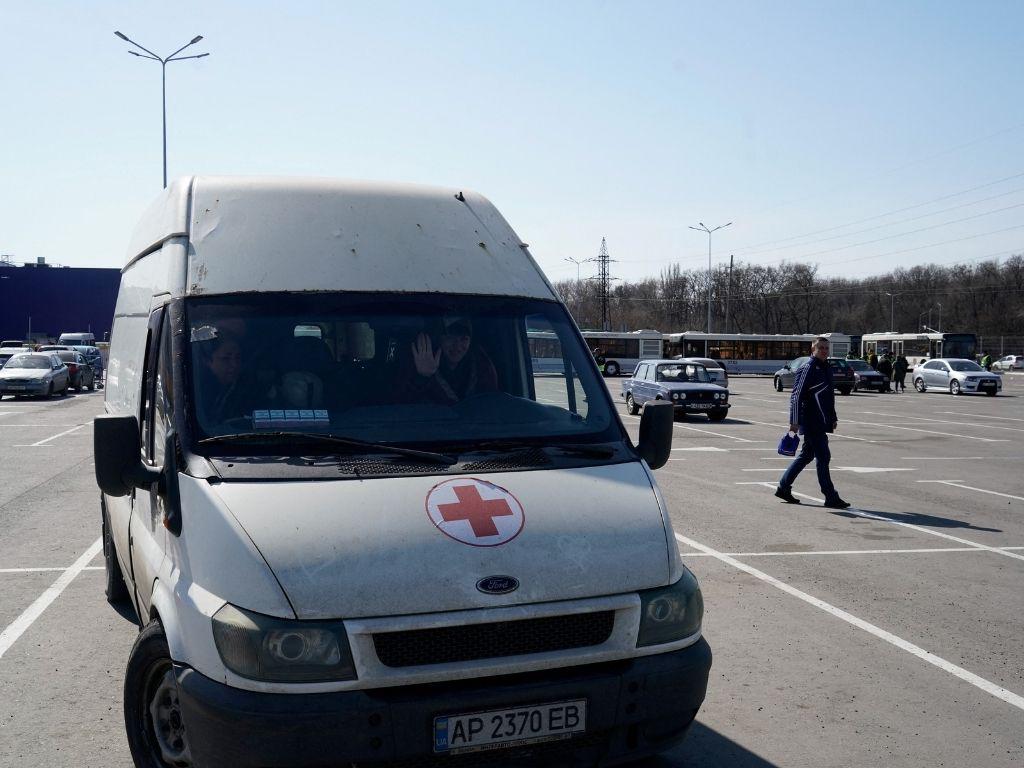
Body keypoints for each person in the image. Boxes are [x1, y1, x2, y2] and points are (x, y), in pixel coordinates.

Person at [775, 336, 850, 509]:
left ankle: (783, 487)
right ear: (813, 349)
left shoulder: (826, 367)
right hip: (810, 420)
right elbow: (796, 395)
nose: (824, 351)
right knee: (823, 456)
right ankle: (830, 496)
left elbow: (828, 397)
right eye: (820, 348)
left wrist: (832, 417)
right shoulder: (808, 367)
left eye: (826, 348)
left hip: (821, 420)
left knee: (807, 455)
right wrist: (794, 422)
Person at [404, 317, 498, 404]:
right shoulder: (420, 362)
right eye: (450, 337)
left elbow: (491, 403)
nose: (457, 346)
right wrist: (422, 377)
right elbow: (405, 406)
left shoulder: (481, 365)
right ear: (439, 338)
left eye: (464, 339)